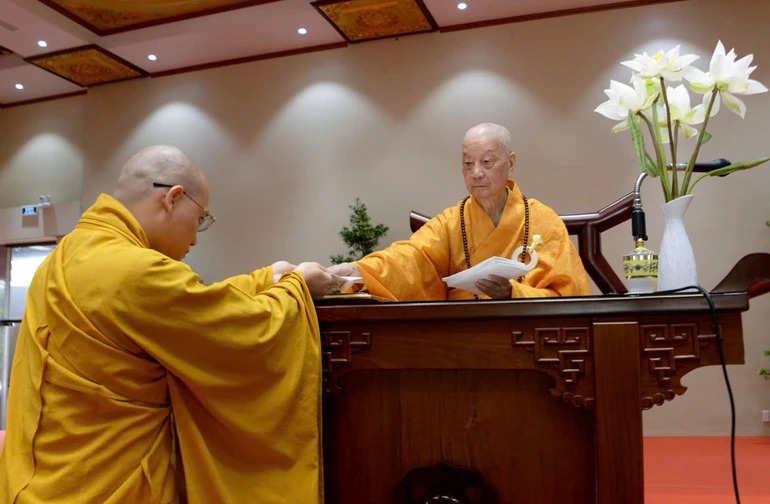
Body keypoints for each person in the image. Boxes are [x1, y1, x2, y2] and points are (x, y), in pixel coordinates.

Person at [0, 145, 342, 503]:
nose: (194, 238)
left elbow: (191, 304)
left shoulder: (62, 258)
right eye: (200, 219)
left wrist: (266, 278)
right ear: (173, 198)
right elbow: (245, 332)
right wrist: (297, 286)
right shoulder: (134, 271)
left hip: (37, 484)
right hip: (109, 489)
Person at [329, 123, 591, 300]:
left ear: (510, 163)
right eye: (468, 163)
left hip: (529, 338)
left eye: (487, 162)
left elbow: (569, 295)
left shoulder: (543, 221)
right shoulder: (451, 223)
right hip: (465, 336)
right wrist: (358, 270)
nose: (476, 172)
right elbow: (409, 258)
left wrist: (513, 293)